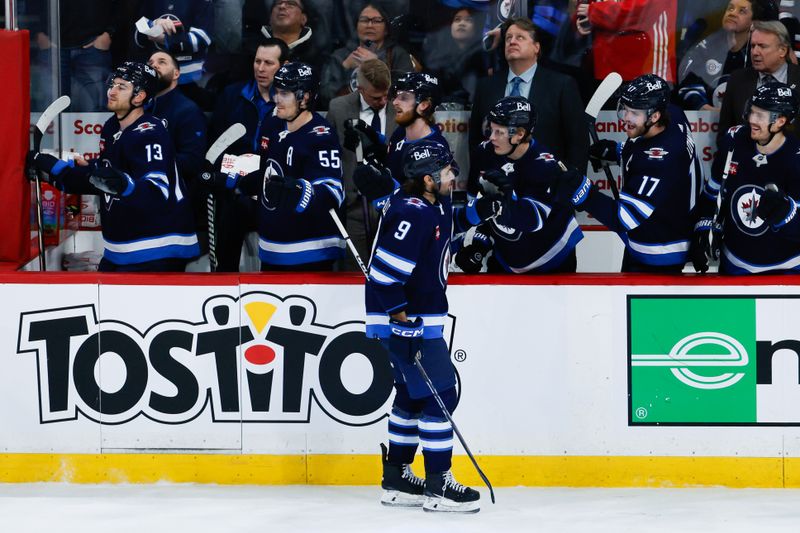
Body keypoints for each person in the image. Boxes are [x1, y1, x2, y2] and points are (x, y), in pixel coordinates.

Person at [366, 141, 480, 513]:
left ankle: (397, 478)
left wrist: (484, 209)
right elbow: (383, 277)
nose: (454, 175)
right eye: (448, 171)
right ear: (429, 179)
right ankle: (438, 485)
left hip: (418, 320)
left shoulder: (432, 203)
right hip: (407, 324)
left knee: (413, 397)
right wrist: (402, 323)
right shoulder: (410, 213)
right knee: (440, 396)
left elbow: (447, 227)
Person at [26, 62, 200, 272]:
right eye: (113, 84)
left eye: (122, 87)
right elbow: (103, 178)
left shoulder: (150, 133)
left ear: (139, 97)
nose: (112, 91)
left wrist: (124, 184)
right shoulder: (111, 127)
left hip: (157, 245)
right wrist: (54, 171)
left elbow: (157, 189)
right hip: (121, 247)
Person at [202, 62, 345, 271]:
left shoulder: (321, 136)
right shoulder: (272, 124)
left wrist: (299, 191)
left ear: (304, 97)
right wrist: (232, 180)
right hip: (272, 246)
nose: (276, 99)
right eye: (276, 92)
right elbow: (265, 173)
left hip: (309, 250)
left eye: (284, 94)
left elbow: (333, 191)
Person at [556, 74, 703, 273]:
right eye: (625, 109)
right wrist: (618, 151)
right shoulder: (674, 114)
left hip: (656, 256)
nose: (625, 118)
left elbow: (623, 217)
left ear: (654, 116)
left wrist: (582, 192)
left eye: (634, 113)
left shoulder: (657, 162)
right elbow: (647, 147)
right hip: (668, 229)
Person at [455, 96, 584, 274]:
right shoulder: (484, 153)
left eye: (499, 132)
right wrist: (479, 244)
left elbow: (532, 220)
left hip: (552, 256)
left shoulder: (545, 165)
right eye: (490, 130)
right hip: (506, 256)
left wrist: (507, 199)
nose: (491, 137)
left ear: (519, 134)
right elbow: (479, 205)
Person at [693, 81, 800, 274]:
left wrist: (786, 213)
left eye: (760, 115)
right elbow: (713, 193)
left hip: (786, 269)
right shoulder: (733, 140)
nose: (751, 119)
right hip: (735, 264)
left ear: (780, 121)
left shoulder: (796, 158)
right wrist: (705, 229)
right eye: (752, 111)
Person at [207, 38, 290, 272]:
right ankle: (224, 285)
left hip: (276, 190)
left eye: (268, 63)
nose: (261, 69)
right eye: (257, 61)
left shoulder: (292, 102)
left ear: (284, 65)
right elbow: (215, 147)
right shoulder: (232, 96)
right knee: (231, 215)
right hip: (236, 189)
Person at [470, 17, 588, 174]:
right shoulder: (486, 87)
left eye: (520, 37)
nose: (512, 42)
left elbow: (578, 143)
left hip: (547, 187)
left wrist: (571, 187)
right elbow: (475, 140)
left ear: (536, 47)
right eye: (508, 38)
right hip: (497, 186)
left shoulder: (562, 85)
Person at [327, 59, 398, 272]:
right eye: (377, 97)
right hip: (355, 206)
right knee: (354, 275)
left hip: (393, 206)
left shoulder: (401, 107)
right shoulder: (338, 109)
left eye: (387, 94)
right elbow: (331, 157)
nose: (384, 100)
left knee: (390, 271)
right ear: (359, 88)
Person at [147, 51, 208, 239]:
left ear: (176, 74)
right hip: (146, 202)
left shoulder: (187, 110)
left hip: (175, 207)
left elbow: (193, 161)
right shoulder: (141, 108)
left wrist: (148, 163)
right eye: (150, 62)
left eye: (162, 62)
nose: (154, 65)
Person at [319, 3, 415, 109]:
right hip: (347, 114)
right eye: (364, 20)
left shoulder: (397, 54)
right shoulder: (340, 56)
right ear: (356, 26)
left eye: (376, 21)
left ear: (387, 29)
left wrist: (377, 65)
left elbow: (406, 94)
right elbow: (325, 97)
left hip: (387, 115)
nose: (369, 25)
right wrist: (344, 67)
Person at [718, 19, 800, 142]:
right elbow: (725, 133)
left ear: (782, 50)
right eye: (752, 46)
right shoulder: (737, 80)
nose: (755, 52)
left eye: (762, 46)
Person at [574, 0, 678, 83]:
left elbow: (640, 11)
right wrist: (581, 19)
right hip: (603, 64)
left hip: (646, 66)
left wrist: (594, 12)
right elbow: (582, 8)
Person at [133, 1, 214, 86]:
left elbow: (202, 38)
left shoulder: (202, 3)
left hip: (188, 76)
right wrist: (153, 24)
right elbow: (138, 30)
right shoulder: (151, 3)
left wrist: (166, 40)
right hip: (154, 74)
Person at [423, 7, 490, 105]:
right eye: (457, 19)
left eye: (468, 20)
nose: (461, 23)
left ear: (476, 28)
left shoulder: (484, 58)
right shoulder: (438, 57)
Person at [259, 0, 320, 71]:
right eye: (278, 3)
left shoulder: (316, 55)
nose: (282, 6)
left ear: (303, 19)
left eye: (291, 4)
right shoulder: (252, 49)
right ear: (270, 18)